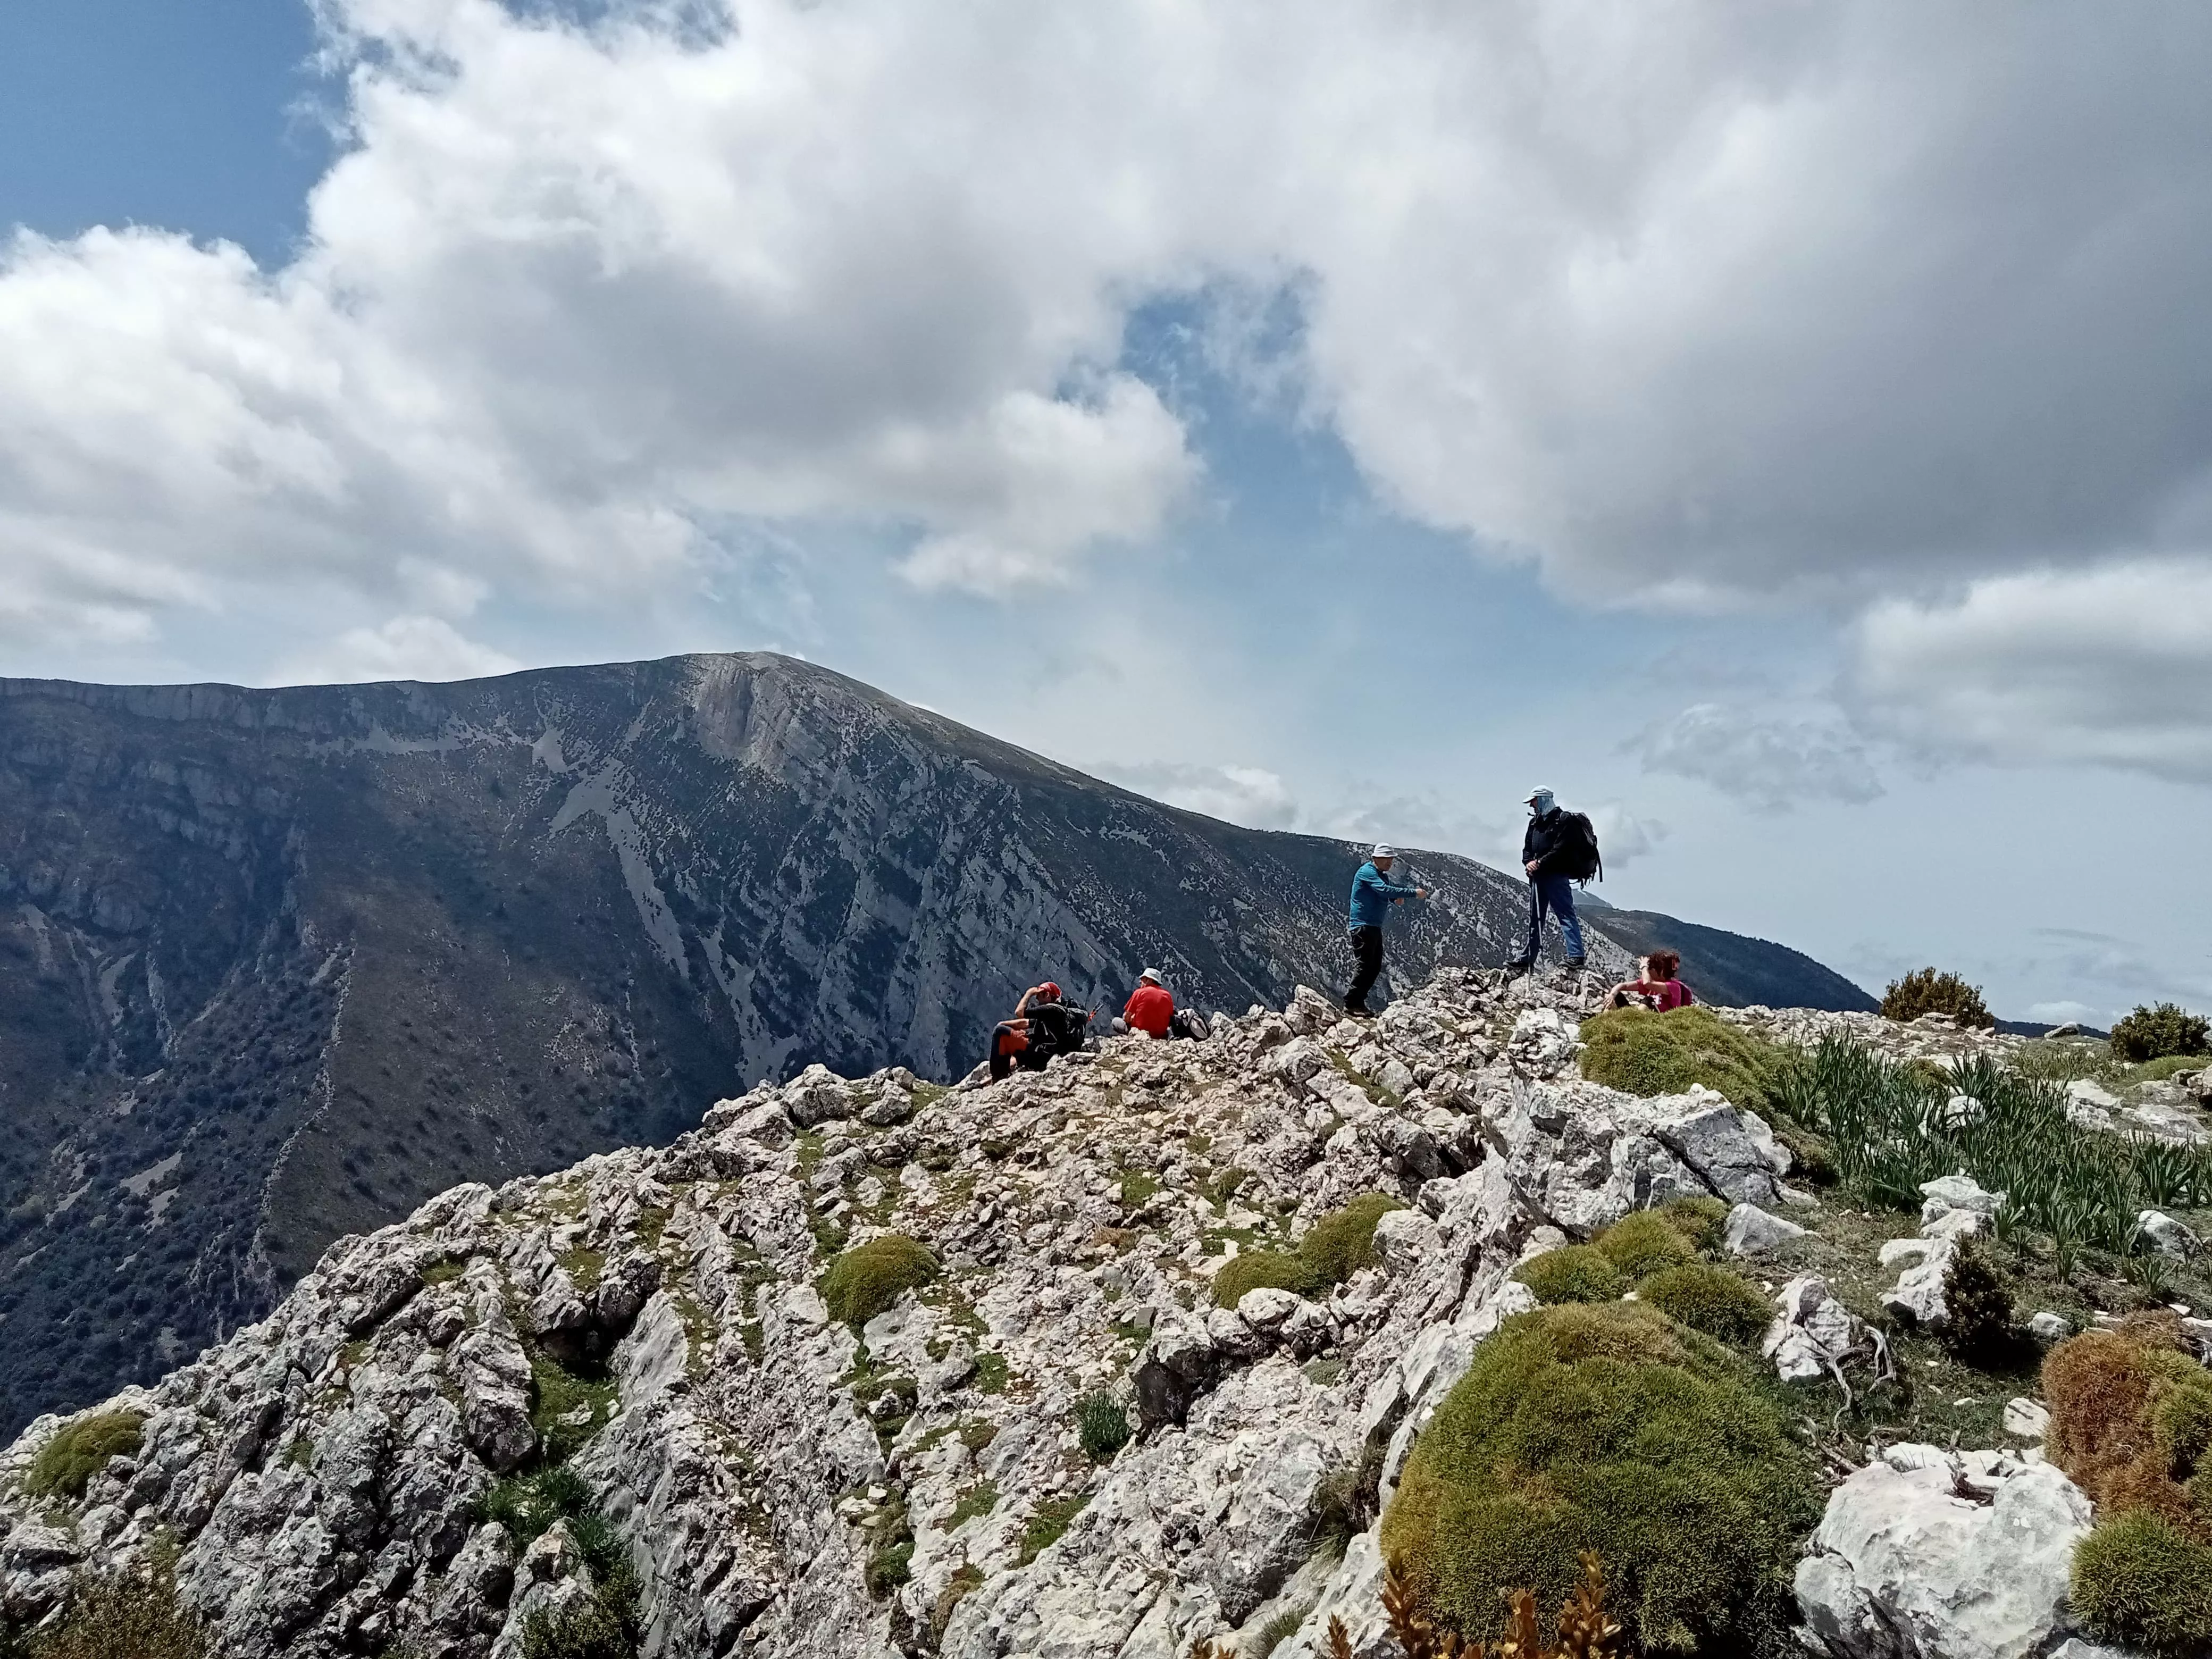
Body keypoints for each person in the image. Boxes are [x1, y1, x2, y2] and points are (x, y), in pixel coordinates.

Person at [1510, 787, 1589, 974]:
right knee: (1536, 918)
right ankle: (1528, 958)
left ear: (1543, 800)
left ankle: (1576, 956)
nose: (1531, 805)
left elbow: (1561, 848)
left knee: (1564, 914)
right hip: (1539, 877)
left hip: (1557, 876)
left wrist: (1538, 863)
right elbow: (1527, 847)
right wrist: (1528, 862)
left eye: (1534, 801)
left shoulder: (1564, 820)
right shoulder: (1534, 823)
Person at [1346, 844, 1428, 1016]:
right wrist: (1413, 893)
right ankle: (1352, 1003)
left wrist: (1395, 899)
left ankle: (1358, 1003)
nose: (1390, 862)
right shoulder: (1367, 872)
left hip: (1373, 926)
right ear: (1377, 858)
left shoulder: (1382, 877)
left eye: (1391, 859)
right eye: (1387, 859)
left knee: (1374, 966)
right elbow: (1383, 890)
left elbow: (1385, 894)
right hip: (1363, 925)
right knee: (1365, 964)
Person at [1606, 949, 1695, 1010]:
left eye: (1651, 970)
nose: (1648, 972)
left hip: (1661, 1021)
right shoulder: (1651, 983)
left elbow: (1647, 983)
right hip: (1646, 1017)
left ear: (1661, 971)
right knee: (1616, 996)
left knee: (1647, 1001)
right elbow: (1623, 986)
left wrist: (1644, 966)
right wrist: (1612, 995)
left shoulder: (1673, 987)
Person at [1118, 968, 1175, 1038]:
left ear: (1149, 980)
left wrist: (1132, 1020)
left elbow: (1126, 1017)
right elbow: (1170, 1017)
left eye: (1142, 980)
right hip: (1160, 1035)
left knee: (1116, 1022)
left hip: (1139, 1033)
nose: (1140, 982)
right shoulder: (1167, 995)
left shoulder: (1139, 993)